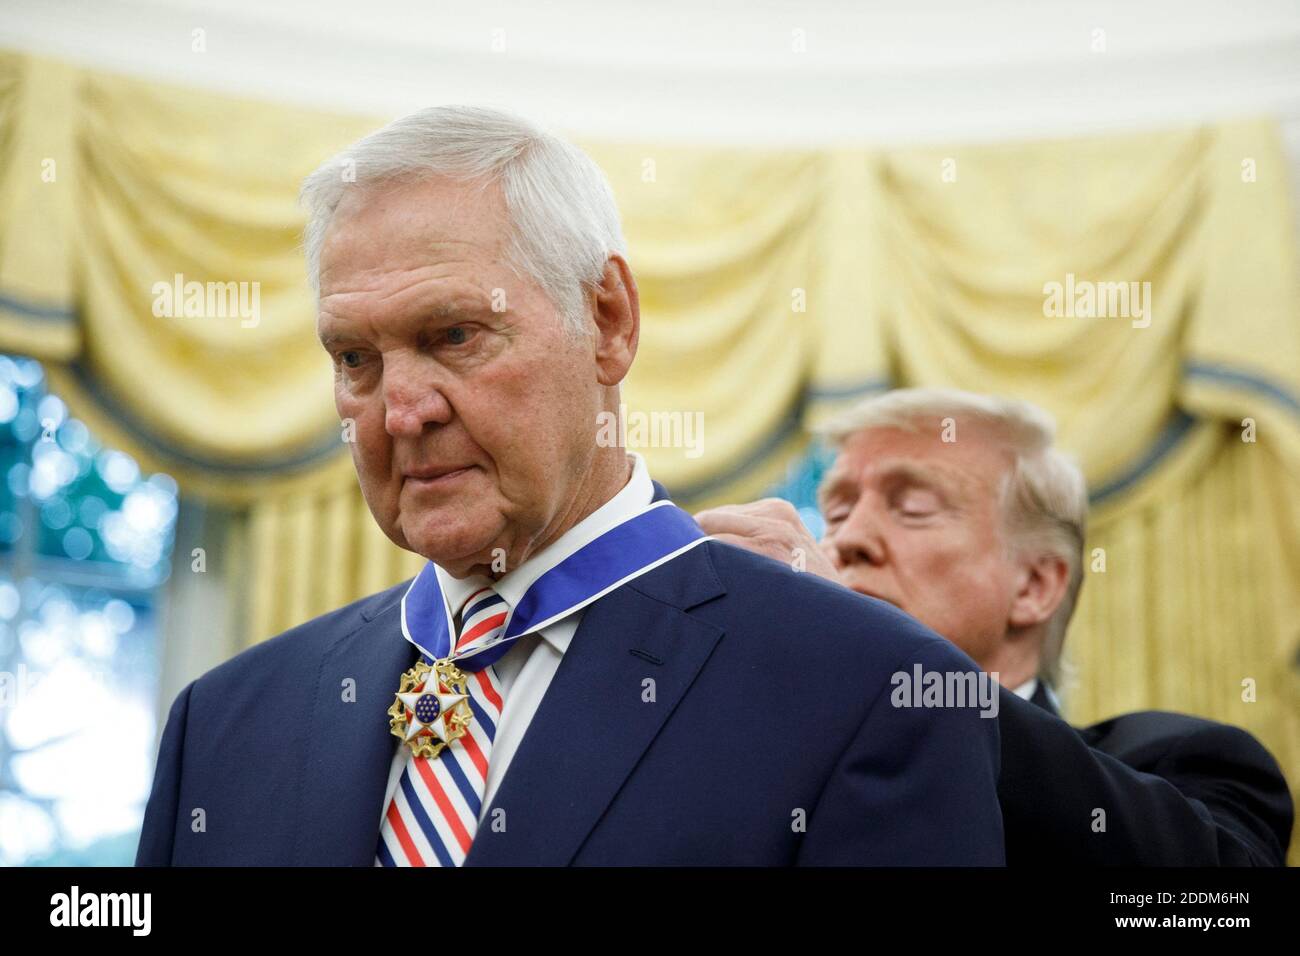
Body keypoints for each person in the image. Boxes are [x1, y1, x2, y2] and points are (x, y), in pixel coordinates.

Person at [135, 108, 1005, 867]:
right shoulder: (221, 727)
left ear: (608, 321)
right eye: (355, 359)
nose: (399, 412)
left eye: (453, 334)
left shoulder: (865, 691)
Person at [697, 387, 1292, 865]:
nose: (846, 539)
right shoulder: (760, 785)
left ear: (1035, 587)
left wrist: (878, 660)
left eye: (913, 508)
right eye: (838, 511)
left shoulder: (1184, 764)